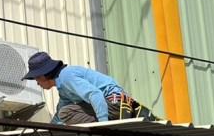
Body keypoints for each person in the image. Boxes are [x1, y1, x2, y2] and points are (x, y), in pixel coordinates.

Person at [21, 51, 151, 125]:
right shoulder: (64, 89)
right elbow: (58, 118)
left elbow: (95, 94)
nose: (38, 83)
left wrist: (103, 124)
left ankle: (104, 123)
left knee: (66, 112)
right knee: (64, 111)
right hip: (118, 104)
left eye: (37, 79)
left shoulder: (67, 77)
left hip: (114, 103)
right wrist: (48, 132)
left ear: (44, 75)